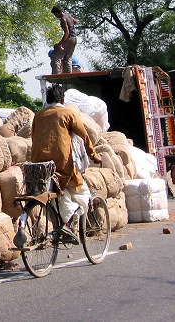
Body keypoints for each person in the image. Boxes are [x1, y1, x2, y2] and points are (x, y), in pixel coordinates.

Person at [31, 84, 100, 243]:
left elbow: (34, 139)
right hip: (62, 165)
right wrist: (94, 155)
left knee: (56, 194)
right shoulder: (68, 113)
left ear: (47, 100)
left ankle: (63, 224)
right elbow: (84, 136)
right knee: (81, 191)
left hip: (40, 166)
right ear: (62, 99)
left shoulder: (38, 116)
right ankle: (68, 223)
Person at [49, 6, 78, 74]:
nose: (55, 16)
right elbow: (75, 21)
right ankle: (68, 75)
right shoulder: (68, 15)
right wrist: (70, 24)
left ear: (57, 13)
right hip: (74, 38)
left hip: (69, 38)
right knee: (68, 57)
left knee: (56, 57)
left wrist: (60, 44)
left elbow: (67, 33)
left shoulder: (63, 19)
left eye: (55, 14)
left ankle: (56, 76)